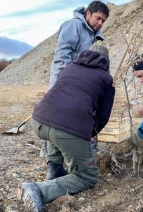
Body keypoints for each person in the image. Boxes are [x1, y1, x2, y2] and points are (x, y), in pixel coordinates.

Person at [18, 44, 115, 212]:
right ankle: (39, 190)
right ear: (106, 61)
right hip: (67, 129)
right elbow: (103, 116)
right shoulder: (106, 79)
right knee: (87, 177)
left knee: (57, 132)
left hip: (39, 121)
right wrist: (91, 133)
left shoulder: (70, 67)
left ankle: (54, 172)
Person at [40, 1, 110, 176]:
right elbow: (62, 55)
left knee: (87, 114)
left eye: (103, 20)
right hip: (65, 80)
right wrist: (64, 82)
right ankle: (50, 156)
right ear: (88, 14)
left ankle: (87, 150)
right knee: (55, 115)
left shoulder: (98, 36)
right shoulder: (73, 27)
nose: (100, 23)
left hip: (86, 85)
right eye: (98, 18)